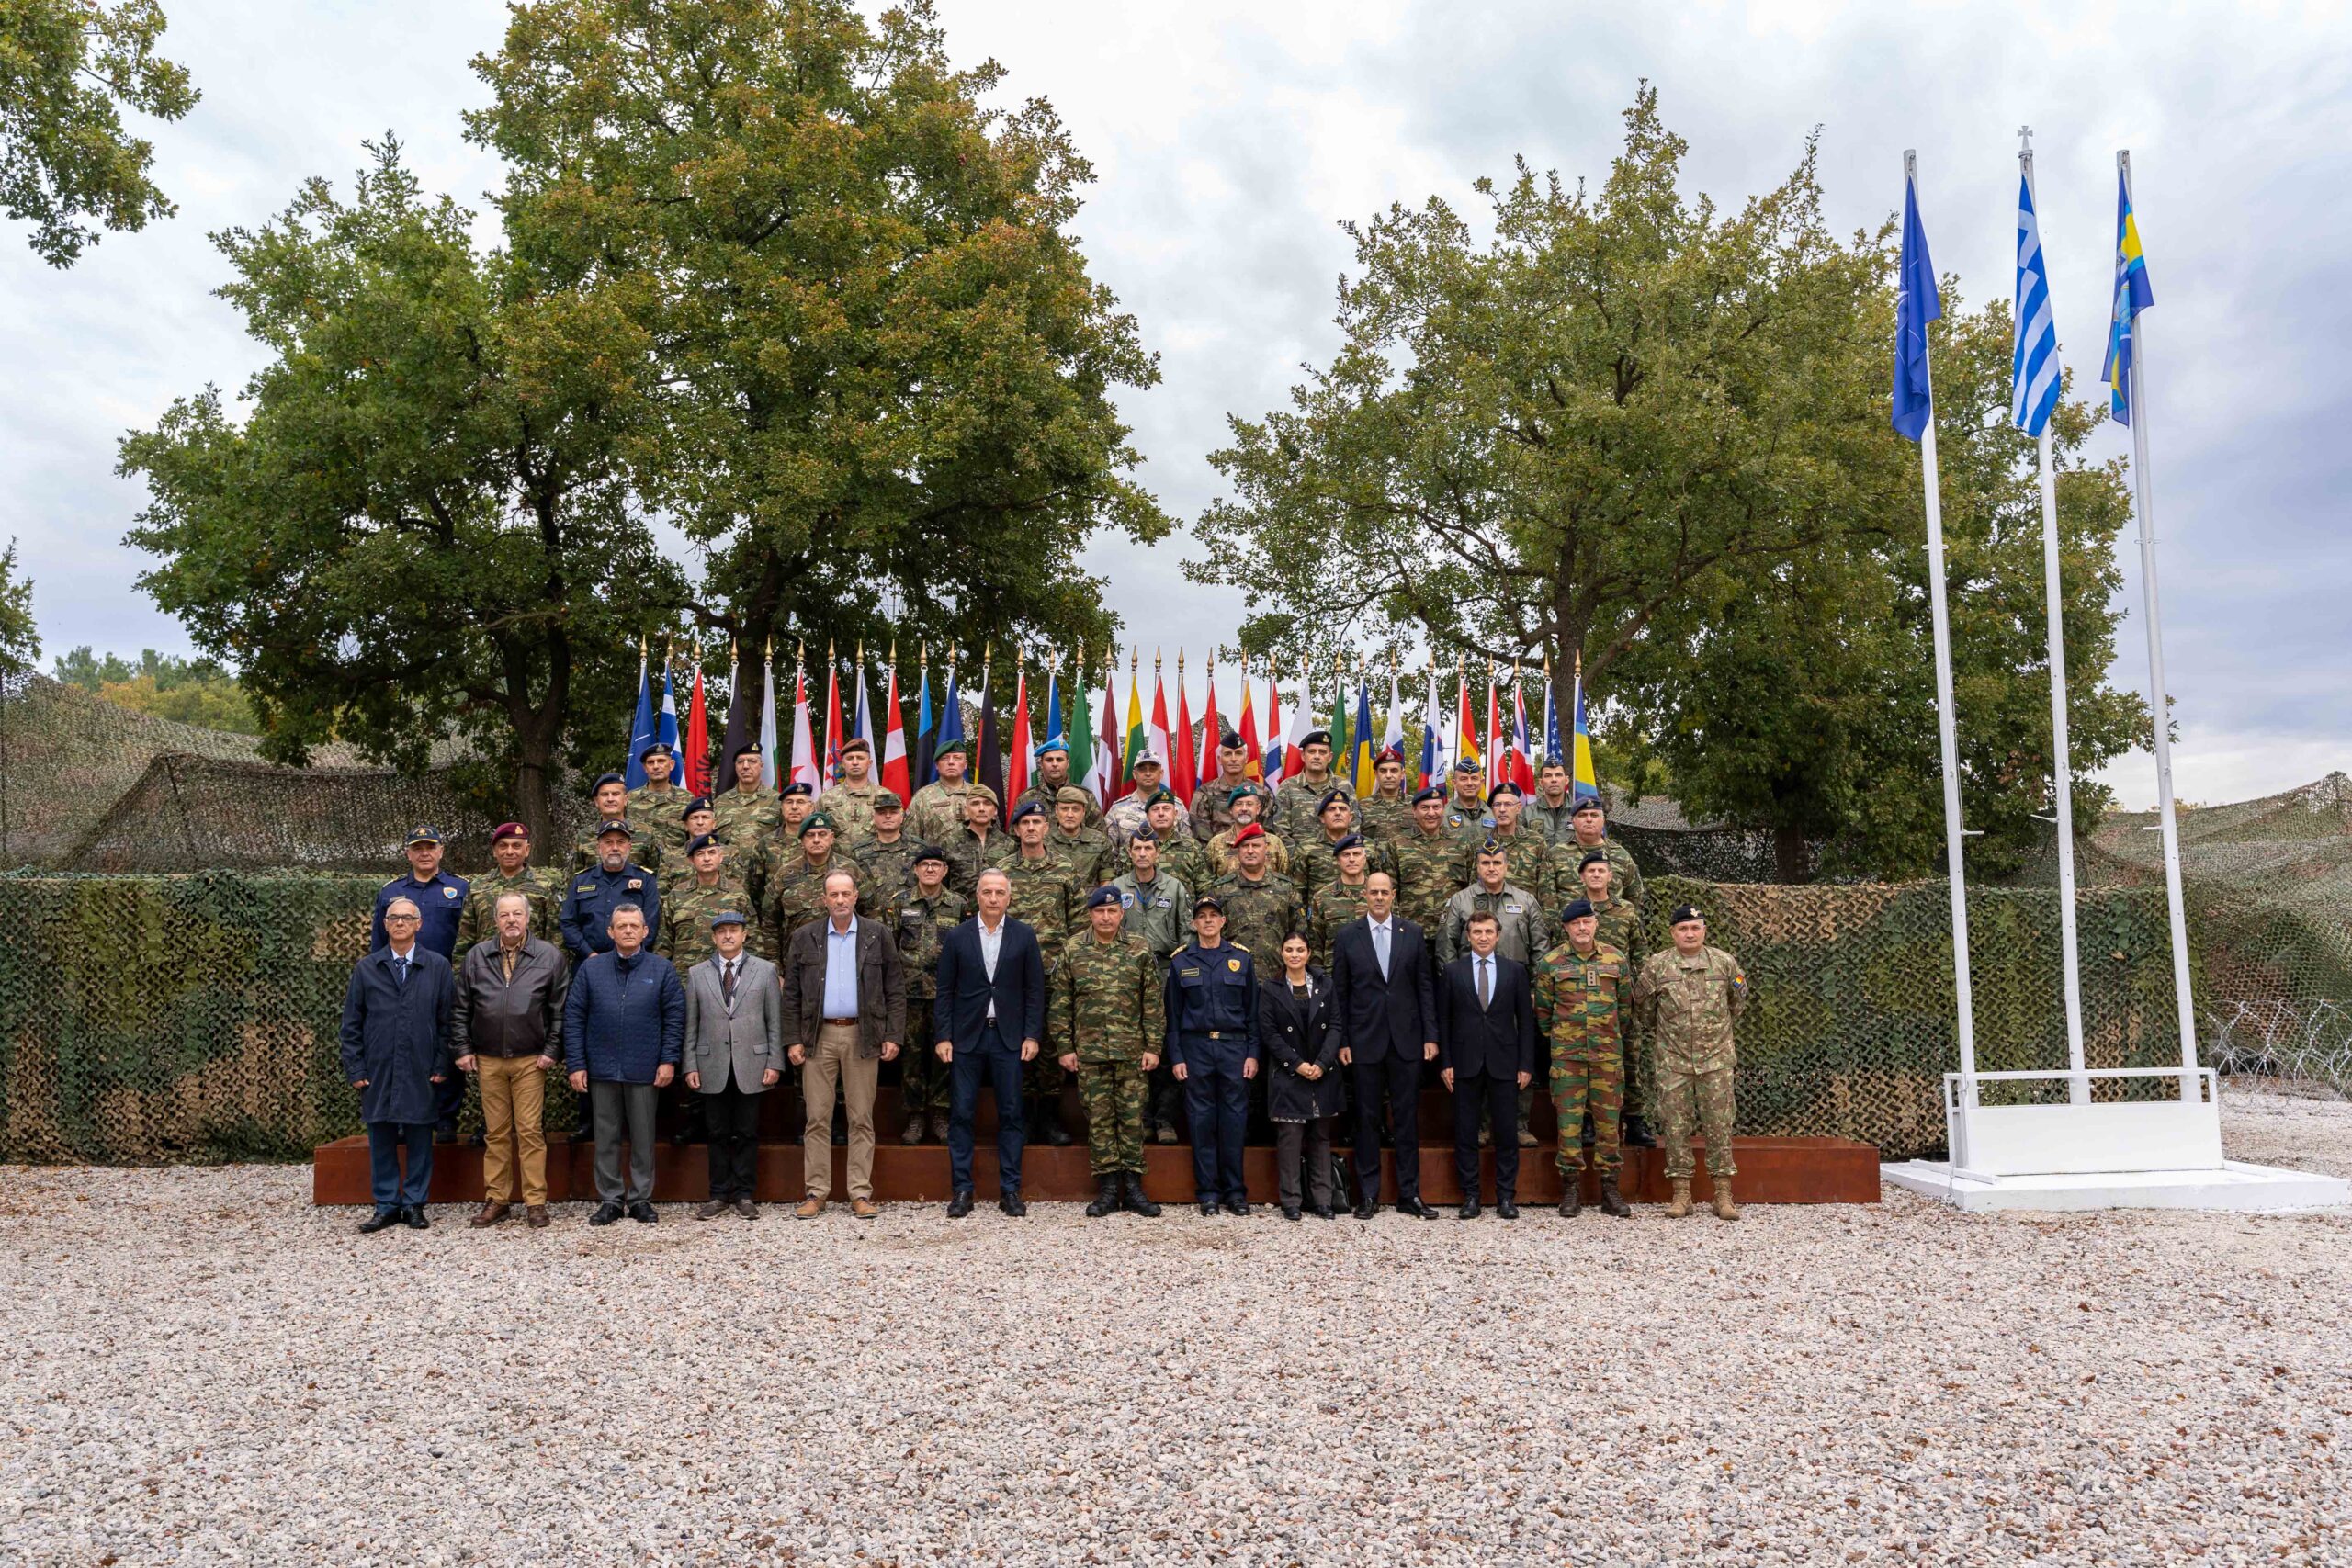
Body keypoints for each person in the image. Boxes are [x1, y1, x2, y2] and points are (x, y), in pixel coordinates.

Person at [779, 870, 906, 1218]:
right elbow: (792, 994)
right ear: (824, 899)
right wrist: (793, 1039)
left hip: (862, 1035)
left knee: (861, 1117)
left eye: (845, 893)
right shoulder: (805, 937)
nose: (839, 900)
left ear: (855, 896)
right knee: (817, 1118)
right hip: (817, 1035)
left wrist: (893, 1034)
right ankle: (816, 1193)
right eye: (833, 894)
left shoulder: (876, 935)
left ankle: (860, 1193)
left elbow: (895, 988)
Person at [450, 891, 569, 1229]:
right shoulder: (477, 956)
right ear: (495, 921)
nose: (511, 920)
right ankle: (497, 1200)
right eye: (505, 915)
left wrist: (551, 1050)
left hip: (531, 1060)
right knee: (496, 1133)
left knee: (530, 1132)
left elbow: (560, 1010)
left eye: (517, 914)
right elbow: (460, 1008)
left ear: (528, 918)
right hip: (488, 1059)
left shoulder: (549, 956)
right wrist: (463, 1049)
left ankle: (535, 1202)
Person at [933, 868, 1046, 1218]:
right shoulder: (958, 936)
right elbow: (945, 990)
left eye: (1000, 892)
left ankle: (1010, 1190)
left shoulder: (1024, 935)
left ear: (1009, 897)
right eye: (987, 892)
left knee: (1011, 1113)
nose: (993, 898)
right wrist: (943, 1035)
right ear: (977, 896)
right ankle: (962, 1190)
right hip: (967, 1036)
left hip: (1008, 1037)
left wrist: (1032, 1034)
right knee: (962, 1113)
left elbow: (1035, 989)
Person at [563, 903, 685, 1225]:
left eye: (634, 926)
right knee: (606, 1137)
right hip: (601, 1067)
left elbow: (675, 1018)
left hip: (645, 1068)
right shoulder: (591, 970)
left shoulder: (662, 969)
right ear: (610, 932)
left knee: (643, 1137)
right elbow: (574, 1017)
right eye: (621, 926)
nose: (628, 930)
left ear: (645, 931)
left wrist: (668, 1060)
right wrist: (576, 1064)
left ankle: (641, 1199)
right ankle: (611, 1199)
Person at [1327, 871, 1439, 1220]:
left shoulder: (1413, 933)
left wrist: (1430, 1036)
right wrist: (1342, 1040)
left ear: (1393, 895)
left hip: (1406, 1039)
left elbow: (1424, 987)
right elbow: (1340, 993)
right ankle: (1368, 1195)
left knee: (1406, 1118)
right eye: (1372, 892)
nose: (1378, 897)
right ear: (1364, 895)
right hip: (1364, 1040)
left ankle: (1409, 1194)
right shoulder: (1348, 936)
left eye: (1384, 892)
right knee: (1367, 1119)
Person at [339, 897, 455, 1234]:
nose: (400, 923)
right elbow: (351, 1024)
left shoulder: (438, 967)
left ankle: (414, 1204)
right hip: (378, 1068)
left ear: (419, 924)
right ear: (385, 924)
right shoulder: (367, 968)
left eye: (407, 917)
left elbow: (448, 1022)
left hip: (422, 1067)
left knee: (420, 1138)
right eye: (394, 918)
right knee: (381, 1137)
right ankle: (386, 1205)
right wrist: (356, 1069)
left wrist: (442, 1064)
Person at [1049, 886, 1166, 1218]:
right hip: (1090, 1052)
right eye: (1099, 911)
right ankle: (1108, 1188)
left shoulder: (1139, 948)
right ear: (1090, 914)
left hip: (1132, 1052)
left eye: (1112, 911)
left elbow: (1152, 1003)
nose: (1105, 917)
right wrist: (1065, 1047)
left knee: (1132, 1119)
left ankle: (1134, 1188)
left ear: (1121, 914)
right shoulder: (1073, 949)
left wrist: (1153, 1046)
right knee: (1099, 1121)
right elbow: (1061, 1003)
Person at [1631, 905, 1748, 1221]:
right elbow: (1644, 1011)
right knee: (1675, 1127)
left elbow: (1737, 1004)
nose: (1690, 934)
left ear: (1704, 930)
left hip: (1716, 1061)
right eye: (1683, 929)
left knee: (1719, 1125)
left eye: (1696, 928)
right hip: (1673, 1062)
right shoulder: (1657, 966)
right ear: (1673, 933)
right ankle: (1681, 1193)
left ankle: (1723, 1194)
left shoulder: (1724, 963)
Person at [1532, 897, 1633, 1220]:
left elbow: (1625, 1008)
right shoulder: (1551, 963)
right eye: (1575, 923)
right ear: (1566, 928)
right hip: (1568, 1058)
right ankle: (1570, 1189)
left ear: (1595, 923)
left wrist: (1607, 1036)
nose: (1582, 928)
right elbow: (1543, 1012)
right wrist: (1563, 1039)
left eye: (1587, 921)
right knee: (1569, 1124)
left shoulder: (1615, 959)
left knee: (1609, 1124)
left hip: (1607, 1056)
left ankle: (1610, 1190)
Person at [681, 910, 783, 1220]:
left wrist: (774, 1061)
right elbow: (691, 1024)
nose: (728, 935)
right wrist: (690, 1064)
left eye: (734, 930)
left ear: (744, 935)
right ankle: (718, 1194)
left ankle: (744, 1194)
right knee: (716, 1131)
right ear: (713, 937)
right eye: (722, 931)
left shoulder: (765, 971)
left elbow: (774, 1021)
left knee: (747, 1131)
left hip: (752, 1062)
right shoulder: (697, 973)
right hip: (711, 1063)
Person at [1437, 910, 1537, 1220]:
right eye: (1477, 932)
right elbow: (1443, 1021)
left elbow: (1526, 1021)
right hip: (1464, 1063)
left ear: (1498, 935)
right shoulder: (1452, 971)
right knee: (1466, 1132)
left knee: (1506, 1133)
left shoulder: (1515, 971)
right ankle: (1471, 1196)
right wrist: (1445, 1062)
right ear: (1468, 936)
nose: (1483, 937)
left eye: (1488, 932)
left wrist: (1526, 1063)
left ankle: (1506, 1196)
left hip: (1505, 1062)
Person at [371, 826, 470, 1140]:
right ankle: (404, 1117)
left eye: (430, 847)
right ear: (408, 854)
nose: (424, 853)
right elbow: (378, 944)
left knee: (448, 1042)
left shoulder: (461, 888)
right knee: (405, 1046)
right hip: (402, 982)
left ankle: (446, 1117)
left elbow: (471, 936)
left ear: (441, 850)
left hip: (448, 981)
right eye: (417, 848)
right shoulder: (390, 892)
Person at [1165, 894, 1260, 1216]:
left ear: (1223, 921)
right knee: (1201, 1121)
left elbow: (1252, 1013)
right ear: (1194, 923)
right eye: (1202, 916)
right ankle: (1208, 1193)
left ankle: (1235, 1193)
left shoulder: (1241, 959)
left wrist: (1253, 1053)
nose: (1208, 921)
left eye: (1213, 915)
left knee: (1234, 1121)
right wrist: (1177, 1056)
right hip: (1196, 1048)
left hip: (1234, 1047)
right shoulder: (1181, 961)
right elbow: (1173, 1016)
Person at [1001, 800, 1080, 1146]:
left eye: (1037, 822)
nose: (1031, 828)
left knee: (1049, 1044)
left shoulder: (1065, 868)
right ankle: (1020, 1118)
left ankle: (1049, 1117)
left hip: (1053, 972)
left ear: (1047, 828)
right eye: (1025, 823)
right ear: (1017, 830)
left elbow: (1078, 922)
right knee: (1015, 1042)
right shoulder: (1002, 871)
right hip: (1011, 976)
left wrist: (1070, 965)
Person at [1109, 826, 1191, 1145]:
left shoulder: (1174, 887)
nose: (1143, 853)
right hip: (1127, 974)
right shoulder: (1118, 887)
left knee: (1166, 1046)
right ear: (1129, 853)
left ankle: (1164, 1118)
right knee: (1134, 1046)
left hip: (1166, 971)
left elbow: (1187, 933)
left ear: (1158, 853)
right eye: (1137, 848)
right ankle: (1141, 1117)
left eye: (1148, 848)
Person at [890, 846, 967, 1145]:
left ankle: (940, 1114)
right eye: (925, 865)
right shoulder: (900, 903)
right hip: (909, 995)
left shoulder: (959, 904)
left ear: (945, 871)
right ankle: (915, 1116)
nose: (931, 869)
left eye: (936, 864)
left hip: (946, 996)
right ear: (916, 870)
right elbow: (890, 947)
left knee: (943, 1057)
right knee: (912, 1058)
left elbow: (967, 950)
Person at [1261, 932, 1340, 1221]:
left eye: (1300, 950)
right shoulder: (1270, 988)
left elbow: (1335, 1025)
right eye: (1289, 950)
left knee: (1320, 1137)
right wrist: (1296, 1064)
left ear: (1308, 953)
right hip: (1288, 1073)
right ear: (1281, 953)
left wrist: (1322, 1062)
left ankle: (1323, 1201)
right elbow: (1269, 1033)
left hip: (1321, 1072)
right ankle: (1291, 1200)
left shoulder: (1325, 984)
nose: (1294, 955)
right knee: (1290, 1138)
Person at [760, 810, 858, 965]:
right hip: (798, 961)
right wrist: (774, 966)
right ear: (802, 840)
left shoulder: (850, 869)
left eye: (822, 834)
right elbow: (769, 922)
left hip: (845, 959)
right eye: (810, 835)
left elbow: (871, 911)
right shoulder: (785, 874)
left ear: (832, 838)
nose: (816, 840)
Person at [454, 821, 560, 959]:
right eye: (503, 846)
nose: (509, 852)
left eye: (516, 846)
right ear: (494, 851)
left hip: (532, 965)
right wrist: (461, 970)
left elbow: (556, 937)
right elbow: (465, 938)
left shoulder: (544, 886)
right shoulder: (477, 887)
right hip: (487, 965)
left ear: (527, 850)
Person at [560, 823, 661, 964]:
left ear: (629, 847)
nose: (615, 848)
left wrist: (629, 955)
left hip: (633, 963)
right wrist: (589, 954)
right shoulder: (581, 881)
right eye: (608, 842)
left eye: (621, 842)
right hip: (588, 961)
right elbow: (568, 922)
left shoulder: (645, 880)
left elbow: (651, 924)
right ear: (598, 847)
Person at [1205, 823, 1302, 963]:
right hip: (1231, 971)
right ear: (1238, 851)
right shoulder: (1221, 889)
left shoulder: (1286, 888)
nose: (1250, 851)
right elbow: (1209, 934)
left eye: (1256, 846)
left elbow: (1299, 932)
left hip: (1276, 971)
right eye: (1245, 846)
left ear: (1266, 849)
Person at [1544, 797, 1645, 915]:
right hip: (1571, 924)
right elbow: (1547, 898)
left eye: (1594, 815)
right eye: (1582, 815)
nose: (1589, 819)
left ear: (1603, 820)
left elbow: (1634, 897)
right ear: (1573, 821)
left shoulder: (1621, 855)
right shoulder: (1555, 854)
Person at [1290, 789, 1391, 901]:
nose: (1337, 813)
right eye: (1331, 809)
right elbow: (1298, 892)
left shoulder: (1368, 846)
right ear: (1322, 818)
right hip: (1322, 909)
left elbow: (1378, 882)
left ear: (1350, 817)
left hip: (1362, 908)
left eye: (1342, 809)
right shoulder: (1306, 848)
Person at [1389, 787, 1465, 934]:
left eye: (1436, 807)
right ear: (1414, 811)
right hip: (1411, 931)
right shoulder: (1398, 844)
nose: (1431, 813)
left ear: (1443, 809)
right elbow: (1390, 892)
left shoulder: (1461, 843)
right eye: (1425, 808)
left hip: (1453, 931)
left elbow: (1470, 889)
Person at [1306, 834, 1376, 972]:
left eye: (1356, 854)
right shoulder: (1322, 898)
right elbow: (1316, 946)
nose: (1352, 859)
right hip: (1335, 973)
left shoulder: (1379, 893)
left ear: (1365, 858)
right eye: (1346, 855)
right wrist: (1319, 978)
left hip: (1374, 973)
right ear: (1338, 861)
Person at [1190, 731, 1271, 841]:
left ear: (1246, 758)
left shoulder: (1262, 793)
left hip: (1253, 850)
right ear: (1220, 759)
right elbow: (1201, 839)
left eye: (1238, 753)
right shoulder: (1204, 793)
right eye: (1227, 754)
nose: (1233, 759)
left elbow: (1268, 835)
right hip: (1217, 851)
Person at [575, 773, 662, 875]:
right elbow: (574, 878)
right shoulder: (584, 836)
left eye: (615, 794)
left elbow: (659, 875)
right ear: (597, 801)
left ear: (625, 800)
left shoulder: (646, 833)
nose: (610, 799)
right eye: (605, 795)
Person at [1272, 728, 1352, 837]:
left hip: (1338, 848)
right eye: (1312, 751)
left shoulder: (1345, 786)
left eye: (1322, 752)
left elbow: (1354, 824)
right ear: (1303, 756)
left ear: (1330, 757)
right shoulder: (1287, 787)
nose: (1317, 756)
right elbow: (1281, 828)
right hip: (1298, 848)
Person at [627, 742, 695, 864]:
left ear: (671, 764)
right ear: (645, 768)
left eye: (661, 761)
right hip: (638, 869)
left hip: (675, 869)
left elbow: (695, 837)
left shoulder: (687, 799)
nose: (656, 766)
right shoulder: (630, 799)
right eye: (651, 763)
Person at [850, 790, 917, 910]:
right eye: (882, 813)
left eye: (893, 812)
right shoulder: (858, 852)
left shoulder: (919, 849)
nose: (888, 816)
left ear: (902, 817)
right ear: (873, 817)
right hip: (870, 918)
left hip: (910, 917)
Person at [944, 783, 1010, 899]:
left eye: (987, 803)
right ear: (966, 810)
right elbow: (941, 882)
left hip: (995, 907)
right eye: (975, 804)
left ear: (995, 810)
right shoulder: (950, 842)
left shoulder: (1008, 844)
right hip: (960, 909)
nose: (981, 809)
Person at [1017, 739, 1102, 826]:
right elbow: (1015, 832)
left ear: (1067, 763)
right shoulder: (1026, 799)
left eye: (1059, 760)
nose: (1054, 764)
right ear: (1041, 764)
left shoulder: (1086, 797)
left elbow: (1100, 832)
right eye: (1049, 760)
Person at [907, 739, 976, 845]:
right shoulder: (923, 797)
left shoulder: (979, 794)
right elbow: (910, 839)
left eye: (957, 758)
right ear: (937, 765)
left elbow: (994, 836)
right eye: (945, 758)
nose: (951, 762)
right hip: (936, 856)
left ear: (965, 764)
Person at [1205, 790, 1289, 877]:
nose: (1244, 809)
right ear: (1231, 810)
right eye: (1239, 804)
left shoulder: (1274, 843)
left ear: (1258, 809)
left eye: (1249, 804)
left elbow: (1285, 879)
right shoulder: (1216, 843)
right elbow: (1206, 881)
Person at [711, 742, 782, 846]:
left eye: (752, 761)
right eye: (740, 762)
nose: (745, 766)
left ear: (761, 766)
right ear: (735, 767)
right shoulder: (719, 802)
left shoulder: (777, 801)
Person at [817, 736, 883, 841]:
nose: (855, 762)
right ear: (843, 764)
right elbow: (815, 832)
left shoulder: (884, 795)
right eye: (850, 758)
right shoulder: (826, 798)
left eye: (860, 758)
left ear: (870, 763)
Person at [1048, 786, 1114, 889]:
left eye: (1076, 809)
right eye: (1064, 809)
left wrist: (1101, 897)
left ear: (1083, 811)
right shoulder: (1043, 840)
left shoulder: (1100, 841)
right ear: (1056, 810)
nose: (1070, 815)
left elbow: (1106, 877)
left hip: (1090, 898)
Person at [1101, 751, 1170, 848]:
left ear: (1161, 773)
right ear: (1134, 774)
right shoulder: (1117, 809)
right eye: (1142, 770)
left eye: (1153, 769)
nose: (1148, 774)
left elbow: (1186, 848)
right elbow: (1108, 851)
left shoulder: (1177, 808)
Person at [1355, 747, 1413, 843]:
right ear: (1376, 774)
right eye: (1383, 771)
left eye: (1394, 771)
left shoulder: (1415, 805)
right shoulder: (1361, 805)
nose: (1388, 776)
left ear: (1402, 774)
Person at [1526, 757, 1578, 843]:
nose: (1554, 780)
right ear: (1541, 782)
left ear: (1566, 780)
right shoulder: (1527, 813)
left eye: (1558, 775)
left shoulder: (1579, 811)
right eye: (1548, 776)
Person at [1443, 759, 1494, 841]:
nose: (1469, 783)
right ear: (1454, 783)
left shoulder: (1494, 813)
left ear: (1481, 783)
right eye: (1464, 779)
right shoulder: (1442, 814)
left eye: (1474, 778)